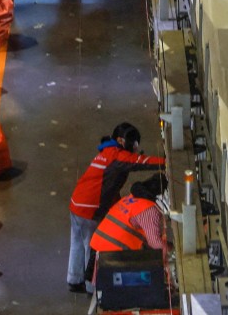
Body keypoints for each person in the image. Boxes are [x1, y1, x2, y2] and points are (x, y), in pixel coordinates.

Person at [67, 123, 165, 294]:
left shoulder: (106, 153)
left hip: (77, 203)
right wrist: (166, 162)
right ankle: (92, 287)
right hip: (90, 209)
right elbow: (140, 162)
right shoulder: (117, 156)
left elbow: (109, 187)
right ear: (121, 140)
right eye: (132, 144)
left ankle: (74, 279)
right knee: (91, 247)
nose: (134, 148)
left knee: (77, 242)